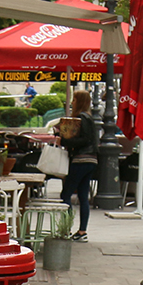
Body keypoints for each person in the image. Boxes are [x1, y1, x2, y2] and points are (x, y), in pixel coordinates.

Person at [59, 89, 99, 241]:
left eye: (74, 100)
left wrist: (64, 141)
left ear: (80, 101)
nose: (72, 102)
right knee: (83, 195)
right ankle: (82, 231)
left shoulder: (82, 118)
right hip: (91, 160)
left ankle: (66, 228)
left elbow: (84, 140)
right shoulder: (89, 117)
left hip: (81, 159)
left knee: (66, 194)